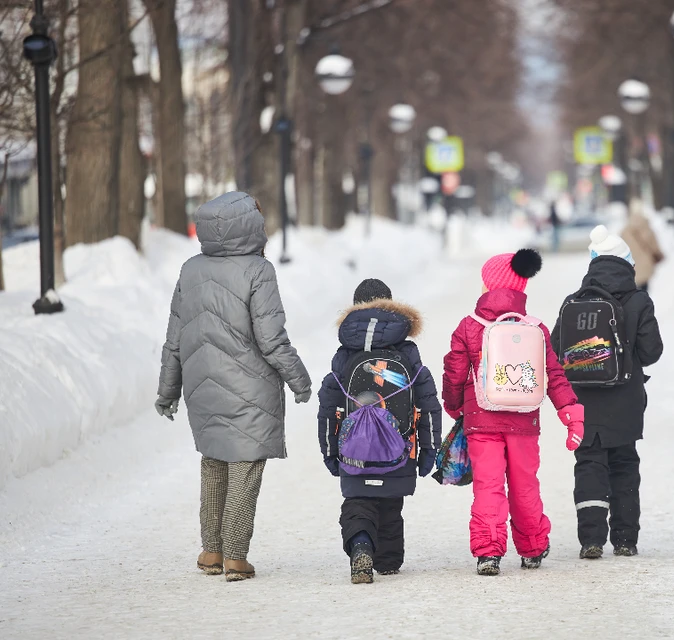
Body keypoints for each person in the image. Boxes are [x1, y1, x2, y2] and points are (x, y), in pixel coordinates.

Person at [155, 191, 312, 582]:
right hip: (250, 387)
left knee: (213, 463)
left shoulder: (190, 269)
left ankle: (211, 550)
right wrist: (299, 379)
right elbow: (271, 339)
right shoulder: (259, 271)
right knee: (245, 465)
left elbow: (175, 337)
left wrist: (167, 390)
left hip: (201, 386)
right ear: (249, 227)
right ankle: (236, 557)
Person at [442, 248, 585, 576]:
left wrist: (454, 405)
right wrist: (569, 411)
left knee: (488, 484)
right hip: (524, 422)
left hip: (481, 421)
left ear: (490, 286)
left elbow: (454, 372)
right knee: (525, 484)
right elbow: (554, 374)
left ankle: (488, 551)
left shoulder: (468, 326)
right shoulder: (536, 328)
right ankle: (533, 547)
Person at [318, 279, 442, 584]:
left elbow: (327, 409)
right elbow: (428, 407)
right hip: (398, 450)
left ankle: (361, 545)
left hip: (353, 452)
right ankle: (387, 560)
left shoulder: (344, 354)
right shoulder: (408, 354)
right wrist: (428, 451)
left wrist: (330, 451)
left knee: (357, 503)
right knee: (390, 504)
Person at [551, 226, 663, 560]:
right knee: (625, 465)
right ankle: (626, 539)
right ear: (627, 264)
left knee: (589, 465)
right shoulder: (639, 301)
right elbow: (652, 351)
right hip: (626, 402)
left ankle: (591, 539)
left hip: (585, 401)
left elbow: (557, 349)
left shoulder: (574, 302)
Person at [620, 204, 664, 291]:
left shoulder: (625, 231)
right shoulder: (647, 229)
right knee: (644, 291)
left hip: (630, 267)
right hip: (645, 265)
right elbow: (654, 246)